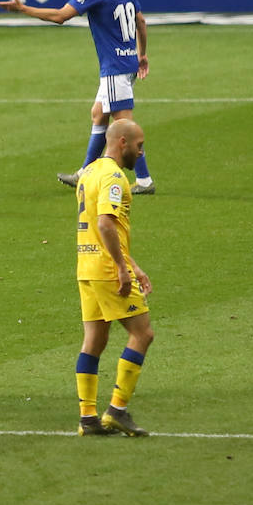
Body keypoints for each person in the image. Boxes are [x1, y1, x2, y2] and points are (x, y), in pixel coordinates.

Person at [0, 0, 155, 195]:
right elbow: (141, 21)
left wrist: (23, 9)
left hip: (115, 66)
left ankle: (144, 180)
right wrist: (142, 54)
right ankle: (84, 172)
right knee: (98, 114)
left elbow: (60, 16)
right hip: (128, 62)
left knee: (124, 124)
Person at [72, 119, 154, 437]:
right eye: (139, 145)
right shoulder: (114, 177)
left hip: (86, 266)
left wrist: (133, 265)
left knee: (95, 341)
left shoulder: (89, 172)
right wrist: (122, 268)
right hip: (107, 269)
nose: (141, 151)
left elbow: (98, 227)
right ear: (122, 142)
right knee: (142, 334)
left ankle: (88, 418)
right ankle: (116, 410)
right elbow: (107, 224)